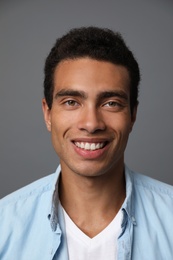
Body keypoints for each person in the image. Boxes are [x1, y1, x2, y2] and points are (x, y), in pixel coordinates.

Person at [0, 26, 173, 260]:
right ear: (47, 114)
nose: (91, 124)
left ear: (133, 115)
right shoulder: (4, 225)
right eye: (71, 102)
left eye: (111, 103)